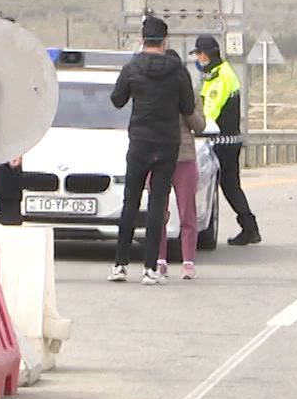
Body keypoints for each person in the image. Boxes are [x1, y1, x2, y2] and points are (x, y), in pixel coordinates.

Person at [109, 16, 198, 284]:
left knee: (130, 202)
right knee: (158, 203)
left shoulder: (132, 67)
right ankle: (150, 268)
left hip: (139, 141)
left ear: (142, 39)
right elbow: (188, 107)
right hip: (167, 143)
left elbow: (117, 100)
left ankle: (120, 265)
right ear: (165, 40)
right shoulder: (178, 70)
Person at [193, 35, 260, 246]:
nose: (197, 58)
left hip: (224, 142)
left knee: (227, 185)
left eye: (197, 53)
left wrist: (194, 125)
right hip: (225, 140)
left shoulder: (221, 78)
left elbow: (209, 112)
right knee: (230, 185)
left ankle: (249, 227)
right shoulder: (216, 75)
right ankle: (249, 227)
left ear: (205, 54)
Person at [153, 49, 208, 280]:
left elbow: (200, 125)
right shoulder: (154, 93)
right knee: (158, 211)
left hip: (184, 156)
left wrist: (187, 109)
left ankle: (188, 261)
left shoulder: (191, 95)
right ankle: (159, 259)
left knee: (187, 211)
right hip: (158, 156)